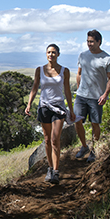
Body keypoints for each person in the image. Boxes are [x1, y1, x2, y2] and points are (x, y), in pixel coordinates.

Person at [25, 44, 75, 184]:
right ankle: (50, 168)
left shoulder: (64, 71)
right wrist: (29, 104)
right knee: (47, 140)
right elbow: (35, 88)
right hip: (44, 107)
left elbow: (67, 91)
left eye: (53, 52)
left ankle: (56, 171)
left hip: (59, 108)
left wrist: (70, 109)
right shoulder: (39, 70)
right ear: (46, 54)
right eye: (48, 52)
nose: (51, 55)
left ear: (58, 54)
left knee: (55, 139)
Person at [74, 30, 110, 163]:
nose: (89, 44)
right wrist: (79, 86)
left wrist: (105, 94)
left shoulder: (107, 59)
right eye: (88, 41)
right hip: (81, 95)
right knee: (77, 120)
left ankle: (94, 150)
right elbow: (79, 73)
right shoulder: (83, 55)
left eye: (92, 41)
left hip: (96, 97)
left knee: (95, 123)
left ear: (99, 42)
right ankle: (84, 146)